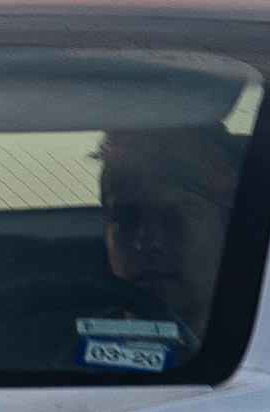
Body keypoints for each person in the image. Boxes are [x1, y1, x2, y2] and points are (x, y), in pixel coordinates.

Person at [93, 123, 240, 336]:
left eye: (175, 218)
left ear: (229, 227)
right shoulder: (66, 348)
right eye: (124, 221)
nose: (144, 243)